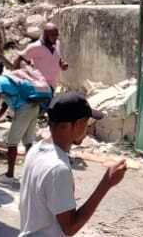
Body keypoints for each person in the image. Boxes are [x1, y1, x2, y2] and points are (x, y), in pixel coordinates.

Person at [19, 92, 124, 236]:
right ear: (78, 124)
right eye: (86, 123)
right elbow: (69, 227)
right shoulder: (57, 169)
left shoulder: (36, 149)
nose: (87, 129)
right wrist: (106, 183)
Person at [0, 61, 53, 184]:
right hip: (34, 107)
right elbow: (3, 108)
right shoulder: (9, 80)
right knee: (28, 142)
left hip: (23, 110)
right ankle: (31, 174)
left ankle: (9, 175)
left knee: (12, 142)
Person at [18, 23, 69, 90]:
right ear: (46, 36)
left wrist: (61, 63)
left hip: (53, 85)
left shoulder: (57, 43)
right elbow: (20, 58)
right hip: (40, 86)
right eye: (53, 35)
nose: (56, 37)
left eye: (57, 35)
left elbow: (56, 57)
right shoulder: (35, 47)